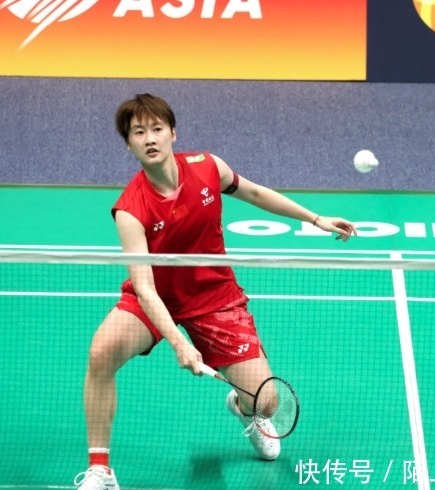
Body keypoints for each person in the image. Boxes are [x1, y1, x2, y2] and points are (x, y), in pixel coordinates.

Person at [74, 94, 357, 490]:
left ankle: (244, 409)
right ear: (129, 144)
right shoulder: (130, 210)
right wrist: (179, 344)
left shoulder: (207, 167)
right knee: (101, 352)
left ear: (173, 133)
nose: (150, 138)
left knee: (266, 402)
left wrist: (315, 218)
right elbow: (145, 288)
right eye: (139, 133)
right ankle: (100, 470)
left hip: (213, 296)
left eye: (157, 129)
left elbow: (254, 193)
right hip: (156, 296)